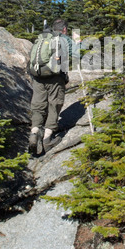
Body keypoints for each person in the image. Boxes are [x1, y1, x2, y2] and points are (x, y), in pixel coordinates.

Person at [29, 19, 80, 156]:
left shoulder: (44, 37)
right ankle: (47, 138)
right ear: (64, 29)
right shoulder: (64, 39)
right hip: (55, 77)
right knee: (54, 104)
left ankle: (34, 132)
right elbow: (77, 55)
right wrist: (77, 42)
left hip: (38, 75)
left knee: (38, 104)